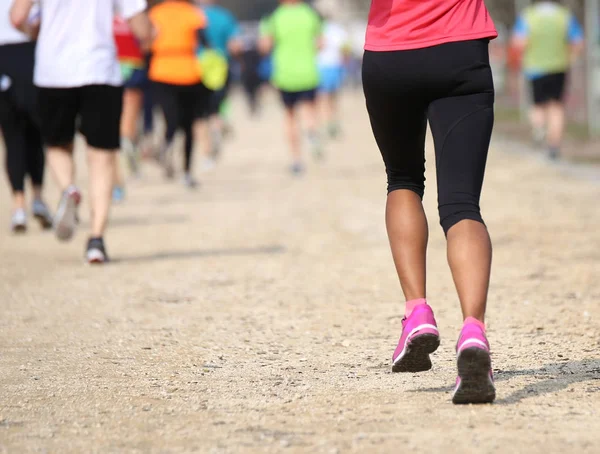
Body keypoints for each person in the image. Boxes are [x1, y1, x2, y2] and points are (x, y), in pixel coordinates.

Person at [362, 0, 498, 404]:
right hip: (460, 51)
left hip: (391, 56)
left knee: (403, 178)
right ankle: (473, 330)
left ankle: (417, 312)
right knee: (461, 205)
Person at [10, 0, 153, 263]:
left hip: (54, 72)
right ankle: (96, 240)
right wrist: (152, 35)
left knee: (57, 146)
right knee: (102, 157)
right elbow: (142, 29)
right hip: (100, 71)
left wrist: (36, 34)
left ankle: (68, 189)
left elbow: (18, 17)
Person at [0, 0, 52, 233]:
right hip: (31, 54)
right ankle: (37, 197)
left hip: (6, 58)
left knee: (13, 137)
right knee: (35, 134)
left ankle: (19, 205)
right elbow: (24, 21)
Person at [149, 0, 212, 188]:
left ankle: (167, 144)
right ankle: (186, 171)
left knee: (170, 118)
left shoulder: (156, 13)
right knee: (188, 125)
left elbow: (146, 40)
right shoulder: (192, 13)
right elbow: (204, 41)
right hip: (188, 71)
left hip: (161, 70)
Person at [511, 0, 584, 160]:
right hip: (559, 67)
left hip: (535, 68)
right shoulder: (564, 16)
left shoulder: (529, 16)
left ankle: (539, 129)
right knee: (556, 107)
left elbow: (518, 42)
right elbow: (578, 42)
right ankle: (554, 146)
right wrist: (570, 58)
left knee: (537, 105)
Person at [259, 0, 323, 175]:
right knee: (309, 110)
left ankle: (296, 160)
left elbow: (265, 46)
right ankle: (311, 132)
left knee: (290, 116)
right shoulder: (310, 14)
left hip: (285, 75)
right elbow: (320, 43)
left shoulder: (274, 17)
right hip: (308, 72)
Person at [195, 0, 242, 169]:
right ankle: (218, 125)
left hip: (196, 67)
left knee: (199, 114)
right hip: (220, 67)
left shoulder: (191, 15)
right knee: (216, 107)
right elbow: (235, 46)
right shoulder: (224, 17)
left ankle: (206, 154)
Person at [113, 14, 149, 202]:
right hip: (132, 64)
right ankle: (128, 143)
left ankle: (116, 183)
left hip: (104, 65)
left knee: (107, 130)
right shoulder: (132, 9)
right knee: (128, 123)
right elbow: (147, 37)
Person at [316, 8, 349, 139]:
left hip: (322, 66)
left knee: (323, 98)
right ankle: (333, 121)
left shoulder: (319, 30)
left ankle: (328, 123)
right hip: (336, 65)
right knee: (334, 97)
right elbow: (345, 49)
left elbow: (317, 47)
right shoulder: (338, 30)